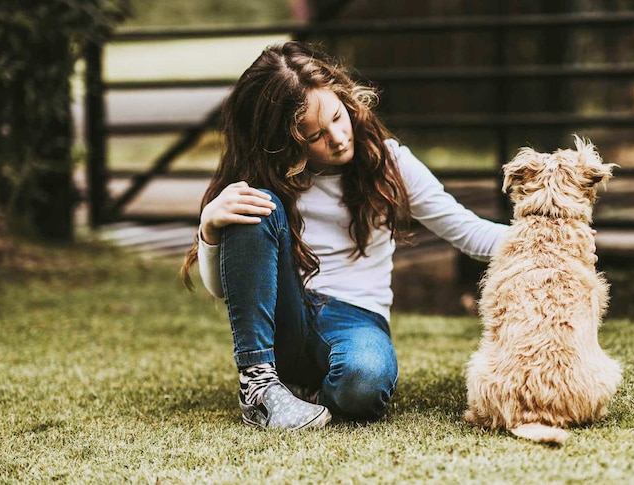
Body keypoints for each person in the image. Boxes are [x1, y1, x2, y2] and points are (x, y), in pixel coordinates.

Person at [180, 40, 513, 430]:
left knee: (364, 384)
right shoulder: (260, 183)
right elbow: (224, 292)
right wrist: (210, 229)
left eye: (338, 117)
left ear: (347, 99)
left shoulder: (390, 164)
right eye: (314, 136)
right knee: (253, 204)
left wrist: (553, 242)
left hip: (357, 317)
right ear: (283, 143)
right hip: (285, 315)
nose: (338, 138)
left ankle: (302, 395)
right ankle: (259, 386)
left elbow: (468, 232)